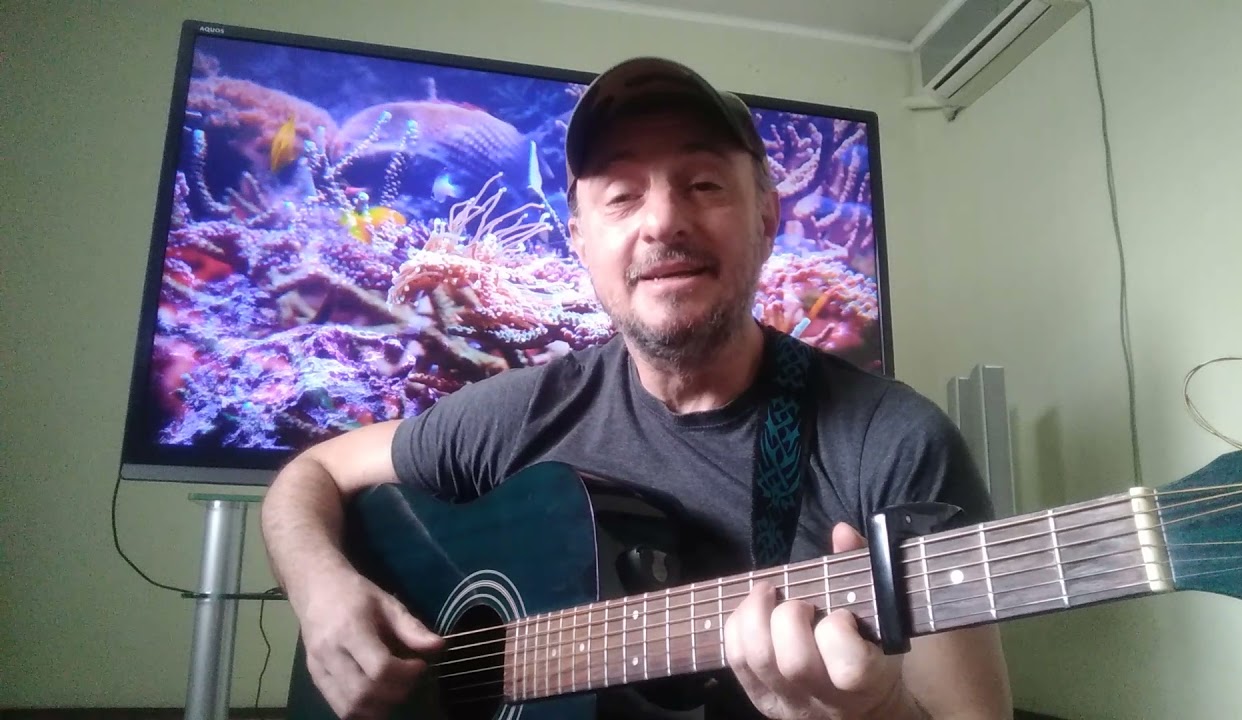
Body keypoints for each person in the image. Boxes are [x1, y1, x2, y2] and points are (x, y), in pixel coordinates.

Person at [261, 56, 1013, 720]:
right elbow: (312, 471)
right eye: (621, 195)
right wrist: (322, 592)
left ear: (766, 216)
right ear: (579, 241)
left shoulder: (894, 443)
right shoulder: (523, 412)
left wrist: (875, 713)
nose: (663, 221)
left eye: (704, 184)